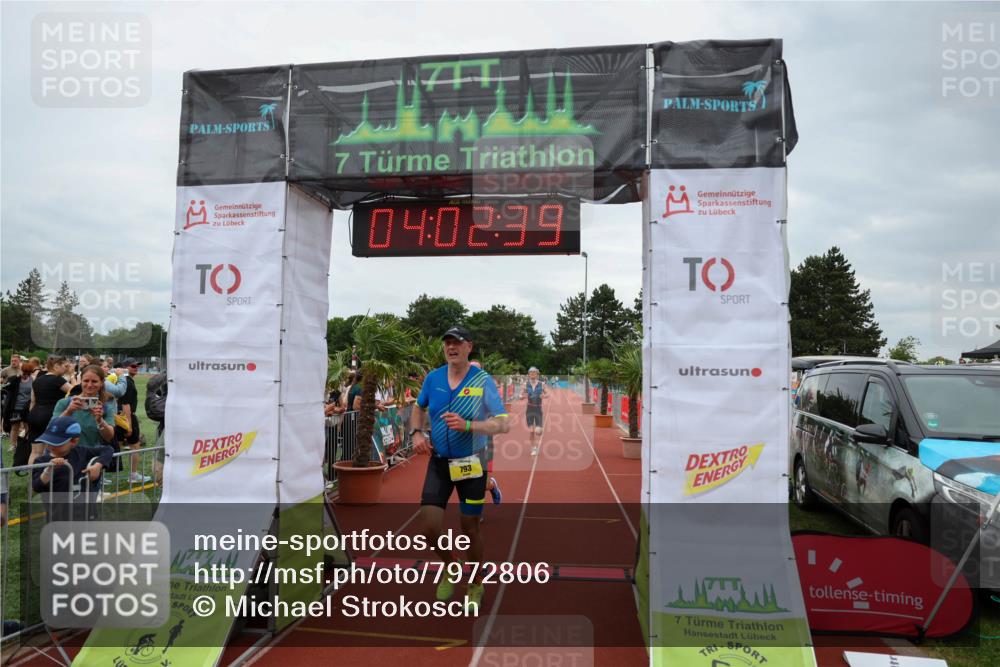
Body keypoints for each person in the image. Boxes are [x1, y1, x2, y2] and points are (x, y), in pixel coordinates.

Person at [409, 326, 509, 612]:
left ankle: (476, 581)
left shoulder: (482, 380)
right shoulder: (433, 378)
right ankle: (451, 565)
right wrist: (416, 433)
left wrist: (469, 425)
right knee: (428, 526)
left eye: (457, 343)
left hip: (470, 463)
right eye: (447, 343)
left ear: (469, 347)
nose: (451, 347)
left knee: (470, 528)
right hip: (439, 462)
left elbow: (503, 422)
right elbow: (418, 407)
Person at [31, 416, 114, 519]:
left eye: (57, 442)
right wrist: (48, 471)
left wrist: (98, 465)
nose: (51, 445)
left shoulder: (81, 452)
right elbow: (37, 486)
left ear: (74, 441)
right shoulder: (41, 461)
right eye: (49, 440)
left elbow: (108, 449)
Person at [51, 364, 117, 450]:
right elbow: (52, 429)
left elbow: (109, 437)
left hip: (91, 456)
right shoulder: (64, 403)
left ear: (102, 382)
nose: (89, 385)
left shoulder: (105, 407)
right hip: (65, 455)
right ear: (81, 381)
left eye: (94, 381)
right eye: (86, 381)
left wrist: (100, 420)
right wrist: (68, 411)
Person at [26, 355, 74, 466]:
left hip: (34, 415)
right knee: (49, 451)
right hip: (50, 415)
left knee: (35, 452)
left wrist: (30, 417)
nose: (66, 368)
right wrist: (71, 376)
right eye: (65, 366)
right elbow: (75, 391)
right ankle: (45, 477)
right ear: (56, 366)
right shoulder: (58, 380)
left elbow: (33, 401)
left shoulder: (37, 380)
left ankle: (33, 479)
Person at [470, 360, 502, 516]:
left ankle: (491, 486)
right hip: (464, 441)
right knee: (467, 478)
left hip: (484, 441)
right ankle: (476, 510)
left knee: (481, 481)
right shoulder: (460, 389)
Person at [116, 358, 149, 484]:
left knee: (115, 446)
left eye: (137, 365)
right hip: (125, 416)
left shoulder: (124, 381)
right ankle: (133, 475)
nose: (136, 368)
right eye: (133, 366)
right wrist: (129, 425)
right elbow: (126, 405)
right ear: (125, 368)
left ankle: (102, 475)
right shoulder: (127, 382)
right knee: (135, 446)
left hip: (119, 416)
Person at [3, 359, 38, 465]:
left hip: (27, 408)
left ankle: (27, 445)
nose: (25, 375)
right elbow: (6, 387)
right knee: (15, 428)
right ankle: (13, 445)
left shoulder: (33, 380)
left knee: (28, 428)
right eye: (24, 372)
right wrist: (17, 377)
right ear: (21, 370)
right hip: (15, 407)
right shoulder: (15, 379)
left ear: (30, 373)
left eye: (28, 373)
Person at [520, 366, 549, 455]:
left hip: (538, 409)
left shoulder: (542, 384)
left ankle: (540, 429)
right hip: (529, 409)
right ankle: (534, 448)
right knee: (531, 431)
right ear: (528, 374)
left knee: (538, 431)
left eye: (534, 372)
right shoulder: (525, 384)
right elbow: (520, 395)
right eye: (531, 372)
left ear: (537, 374)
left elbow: (547, 393)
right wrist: (521, 397)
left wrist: (545, 396)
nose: (532, 373)